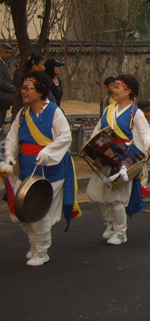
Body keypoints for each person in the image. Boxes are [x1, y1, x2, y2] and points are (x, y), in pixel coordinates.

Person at [0, 70, 78, 266]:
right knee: (19, 213)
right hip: (27, 171)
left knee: (38, 213)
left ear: (40, 90)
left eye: (28, 88)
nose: (23, 91)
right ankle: (34, 243)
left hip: (51, 172)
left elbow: (65, 138)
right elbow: (12, 139)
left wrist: (48, 152)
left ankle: (42, 250)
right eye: (23, 88)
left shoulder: (54, 112)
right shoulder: (22, 113)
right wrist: (9, 157)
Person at [86, 74, 150, 246]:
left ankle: (120, 231)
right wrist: (93, 152)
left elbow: (145, 133)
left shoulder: (135, 112)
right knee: (96, 195)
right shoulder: (109, 110)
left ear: (128, 91)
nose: (113, 90)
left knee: (116, 198)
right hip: (105, 158)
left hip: (123, 160)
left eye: (117, 87)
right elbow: (97, 131)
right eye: (114, 87)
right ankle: (109, 222)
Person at [0, 42, 16, 126]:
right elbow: (2, 83)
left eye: (10, 52)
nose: (9, 55)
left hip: (4, 94)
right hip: (2, 94)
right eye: (6, 52)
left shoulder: (3, 64)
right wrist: (16, 90)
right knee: (20, 96)